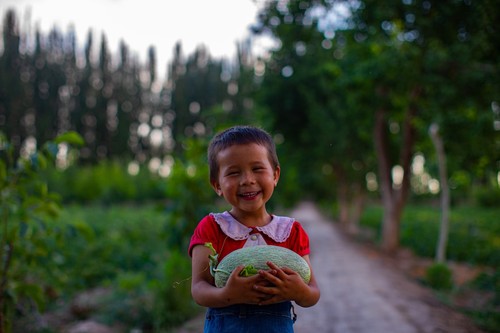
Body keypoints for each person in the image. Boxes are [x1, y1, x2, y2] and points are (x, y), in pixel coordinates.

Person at [188, 125, 320, 333]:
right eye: (233, 172)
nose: (247, 180)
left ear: (275, 175)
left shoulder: (291, 230)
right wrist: (227, 295)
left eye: (257, 169)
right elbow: (198, 289)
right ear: (217, 185)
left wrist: (299, 291)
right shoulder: (211, 227)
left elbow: (312, 293)